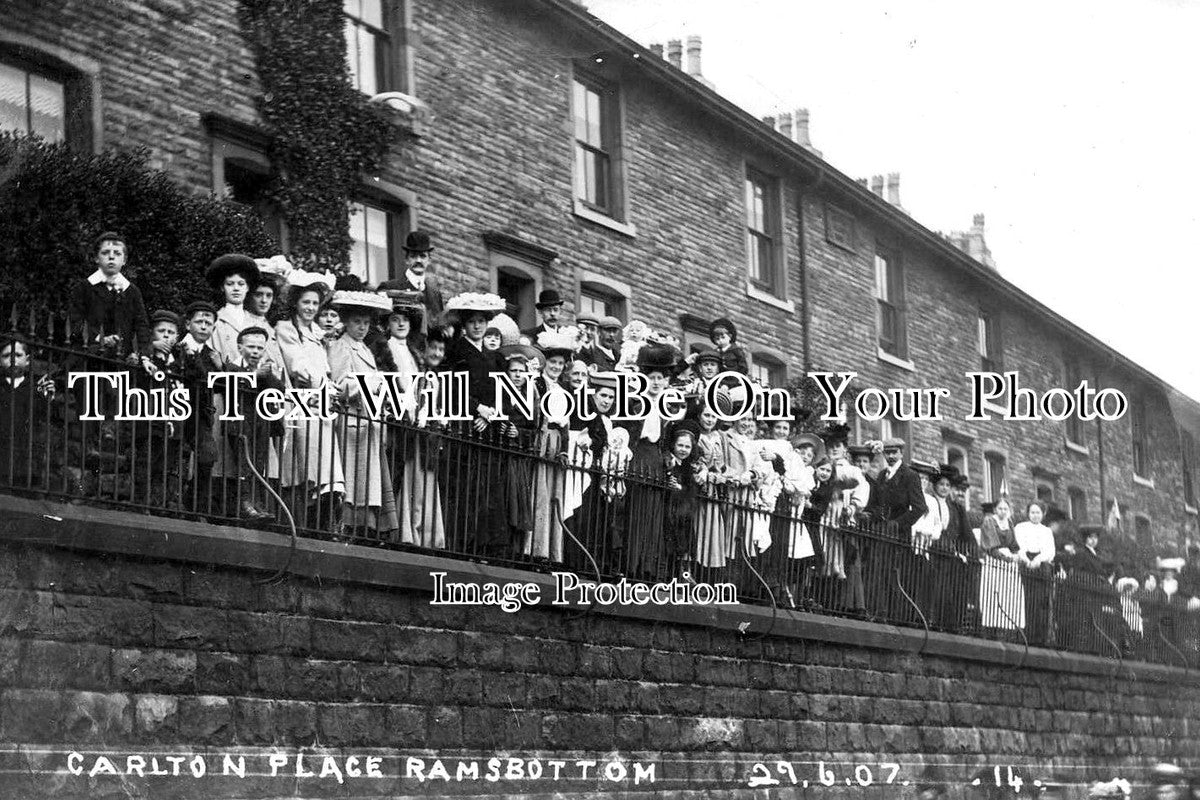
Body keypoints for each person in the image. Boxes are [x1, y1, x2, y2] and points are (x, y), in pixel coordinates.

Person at [328, 291, 400, 541]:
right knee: (353, 480)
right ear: (346, 322)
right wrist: (371, 383)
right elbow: (340, 384)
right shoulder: (340, 346)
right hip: (352, 421)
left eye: (366, 323)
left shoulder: (366, 350)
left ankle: (365, 530)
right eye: (357, 322)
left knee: (368, 481)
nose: (362, 327)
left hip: (369, 421)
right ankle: (345, 527)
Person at [274, 280, 346, 530]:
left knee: (329, 472)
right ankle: (301, 524)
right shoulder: (286, 328)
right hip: (299, 403)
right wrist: (322, 383)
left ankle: (326, 525)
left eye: (315, 303)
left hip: (321, 407)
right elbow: (296, 363)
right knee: (304, 470)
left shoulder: (318, 334)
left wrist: (330, 386)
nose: (311, 307)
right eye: (306, 302)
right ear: (295, 302)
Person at [442, 292, 509, 556]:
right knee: (468, 488)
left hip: (488, 428)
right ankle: (465, 545)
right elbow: (451, 387)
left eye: (482, 321)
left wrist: (490, 414)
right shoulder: (458, 351)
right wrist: (475, 409)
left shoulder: (494, 357)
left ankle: (487, 547)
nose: (477, 326)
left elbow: (502, 391)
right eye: (472, 322)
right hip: (466, 427)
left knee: (489, 488)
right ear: (465, 324)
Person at [618, 342, 677, 580]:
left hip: (657, 459)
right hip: (638, 455)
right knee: (636, 515)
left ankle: (648, 569)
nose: (656, 383)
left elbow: (668, 439)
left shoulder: (669, 407)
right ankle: (631, 566)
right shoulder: (635, 402)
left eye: (660, 378)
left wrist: (668, 456)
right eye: (652, 377)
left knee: (654, 517)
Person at [220, 327, 285, 525]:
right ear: (240, 347)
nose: (255, 352)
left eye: (259, 348)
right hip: (239, 421)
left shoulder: (265, 370)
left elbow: (279, 390)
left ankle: (257, 502)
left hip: (260, 422)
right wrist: (255, 375)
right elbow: (229, 382)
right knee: (244, 461)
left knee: (259, 462)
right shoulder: (231, 366)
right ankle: (244, 502)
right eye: (250, 347)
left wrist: (268, 375)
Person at [69, 231, 150, 359]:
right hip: (88, 355)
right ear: (96, 258)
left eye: (117, 253)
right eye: (105, 253)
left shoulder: (132, 291)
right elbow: (75, 321)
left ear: (124, 260)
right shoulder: (83, 288)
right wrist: (100, 338)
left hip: (122, 359)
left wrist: (143, 355)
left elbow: (141, 326)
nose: (111, 257)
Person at [174, 301, 222, 513]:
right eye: (199, 321)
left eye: (208, 323)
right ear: (187, 324)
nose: (204, 326)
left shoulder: (212, 355)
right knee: (171, 455)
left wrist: (222, 368)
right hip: (175, 407)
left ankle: (195, 504)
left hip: (200, 413)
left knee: (208, 453)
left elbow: (219, 385)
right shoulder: (177, 347)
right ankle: (165, 502)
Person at [873, 438, 927, 622]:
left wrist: (899, 523)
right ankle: (882, 614)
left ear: (901, 453)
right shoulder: (881, 476)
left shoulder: (910, 475)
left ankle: (898, 618)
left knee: (897, 575)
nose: (890, 456)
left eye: (894, 452)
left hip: (899, 534)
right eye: (887, 452)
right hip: (881, 531)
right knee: (880, 572)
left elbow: (920, 507)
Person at [377, 231, 445, 327]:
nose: (418, 260)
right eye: (413, 256)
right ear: (406, 260)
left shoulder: (435, 293)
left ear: (429, 260)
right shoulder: (390, 287)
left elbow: (439, 324)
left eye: (422, 256)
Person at [663, 420, 703, 583]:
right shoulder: (668, 462)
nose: (683, 450)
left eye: (687, 447)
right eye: (680, 445)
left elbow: (691, 491)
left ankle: (682, 575)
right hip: (668, 508)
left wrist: (681, 488)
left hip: (682, 511)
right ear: (673, 445)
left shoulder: (688, 467)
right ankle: (669, 575)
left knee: (684, 541)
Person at [1014, 500, 1057, 645]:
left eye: (1038, 512)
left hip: (1041, 565)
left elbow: (1050, 551)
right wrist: (1026, 560)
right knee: (1025, 600)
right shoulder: (1020, 527)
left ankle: (1040, 638)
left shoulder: (1047, 531)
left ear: (1043, 514)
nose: (1035, 515)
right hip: (1025, 564)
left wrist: (1038, 559)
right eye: (1032, 512)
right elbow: (1018, 546)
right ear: (1028, 513)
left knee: (1040, 603)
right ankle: (1025, 637)